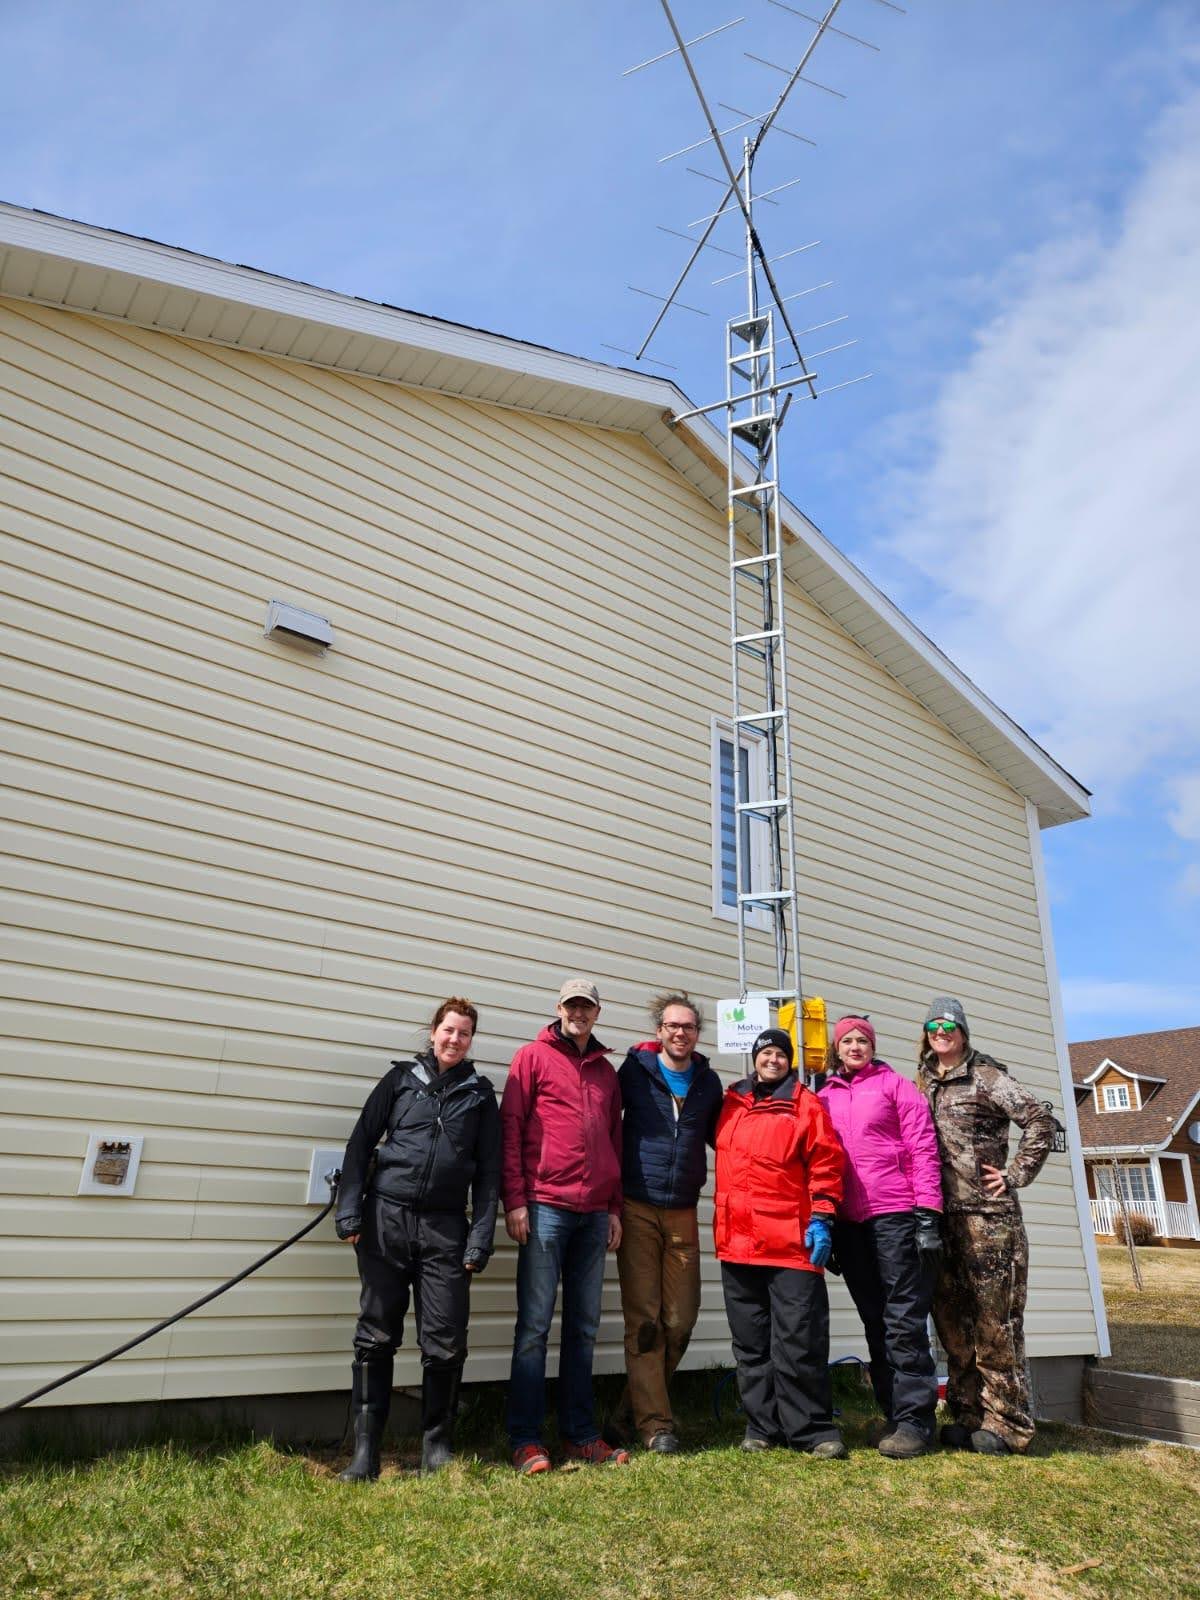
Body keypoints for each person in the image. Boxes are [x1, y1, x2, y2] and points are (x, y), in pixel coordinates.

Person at [334, 997, 500, 1480]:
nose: (455, 1039)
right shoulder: (400, 1080)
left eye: (465, 1033)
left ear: (471, 1041)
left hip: (446, 1228)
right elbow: (361, 1141)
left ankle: (436, 1450)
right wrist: (349, 1211)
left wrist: (480, 1238)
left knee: (445, 1341)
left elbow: (489, 1174)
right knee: (375, 1335)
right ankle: (366, 1454)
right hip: (386, 1220)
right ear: (433, 1032)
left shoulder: (480, 1094)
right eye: (449, 1030)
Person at [917, 996, 1057, 1455]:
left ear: (963, 1031)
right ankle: (967, 1413)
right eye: (934, 1024)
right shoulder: (922, 1080)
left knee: (995, 1323)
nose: (942, 1031)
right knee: (952, 1323)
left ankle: (1007, 1422)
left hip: (988, 1220)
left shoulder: (987, 1076)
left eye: (949, 1025)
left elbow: (1039, 1119)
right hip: (940, 1219)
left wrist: (1016, 1174)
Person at [501, 978, 628, 1473]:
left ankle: (580, 1434)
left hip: (595, 1213)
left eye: (587, 1006)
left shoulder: (606, 1072)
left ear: (597, 1013)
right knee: (533, 1327)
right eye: (572, 1004)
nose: (579, 1012)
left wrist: (614, 1206)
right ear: (558, 1008)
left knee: (584, 1327)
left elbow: (614, 1140)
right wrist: (515, 1200)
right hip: (545, 1205)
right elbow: (509, 1128)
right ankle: (525, 1439)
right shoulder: (531, 1057)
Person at [714, 1027, 847, 1458]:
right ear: (754, 1058)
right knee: (751, 1344)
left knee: (798, 1341)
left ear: (790, 1060)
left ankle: (812, 1430)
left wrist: (823, 1217)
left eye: (780, 1054)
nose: (772, 1059)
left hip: (791, 1243)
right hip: (737, 1243)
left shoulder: (806, 1105)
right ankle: (761, 1427)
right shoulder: (731, 1101)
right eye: (765, 1053)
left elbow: (826, 1162)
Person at [817, 1015, 943, 1458]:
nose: (855, 1046)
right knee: (874, 1318)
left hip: (895, 1214)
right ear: (837, 1048)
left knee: (903, 1319)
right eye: (847, 1041)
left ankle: (917, 1421)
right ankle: (892, 1414)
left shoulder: (895, 1087)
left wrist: (928, 1215)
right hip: (850, 1223)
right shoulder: (825, 1095)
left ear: (872, 1046)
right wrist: (826, 1222)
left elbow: (923, 1148)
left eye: (862, 1040)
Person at [615, 992, 724, 1453]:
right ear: (659, 1031)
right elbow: (601, 1126)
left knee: (679, 1319)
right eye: (672, 1026)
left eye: (689, 1027)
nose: (681, 1033)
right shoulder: (634, 1074)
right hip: (636, 1206)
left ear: (697, 1034)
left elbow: (730, 1139)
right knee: (645, 1321)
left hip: (682, 1208)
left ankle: (625, 1416)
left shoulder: (708, 1082)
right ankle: (656, 1425)